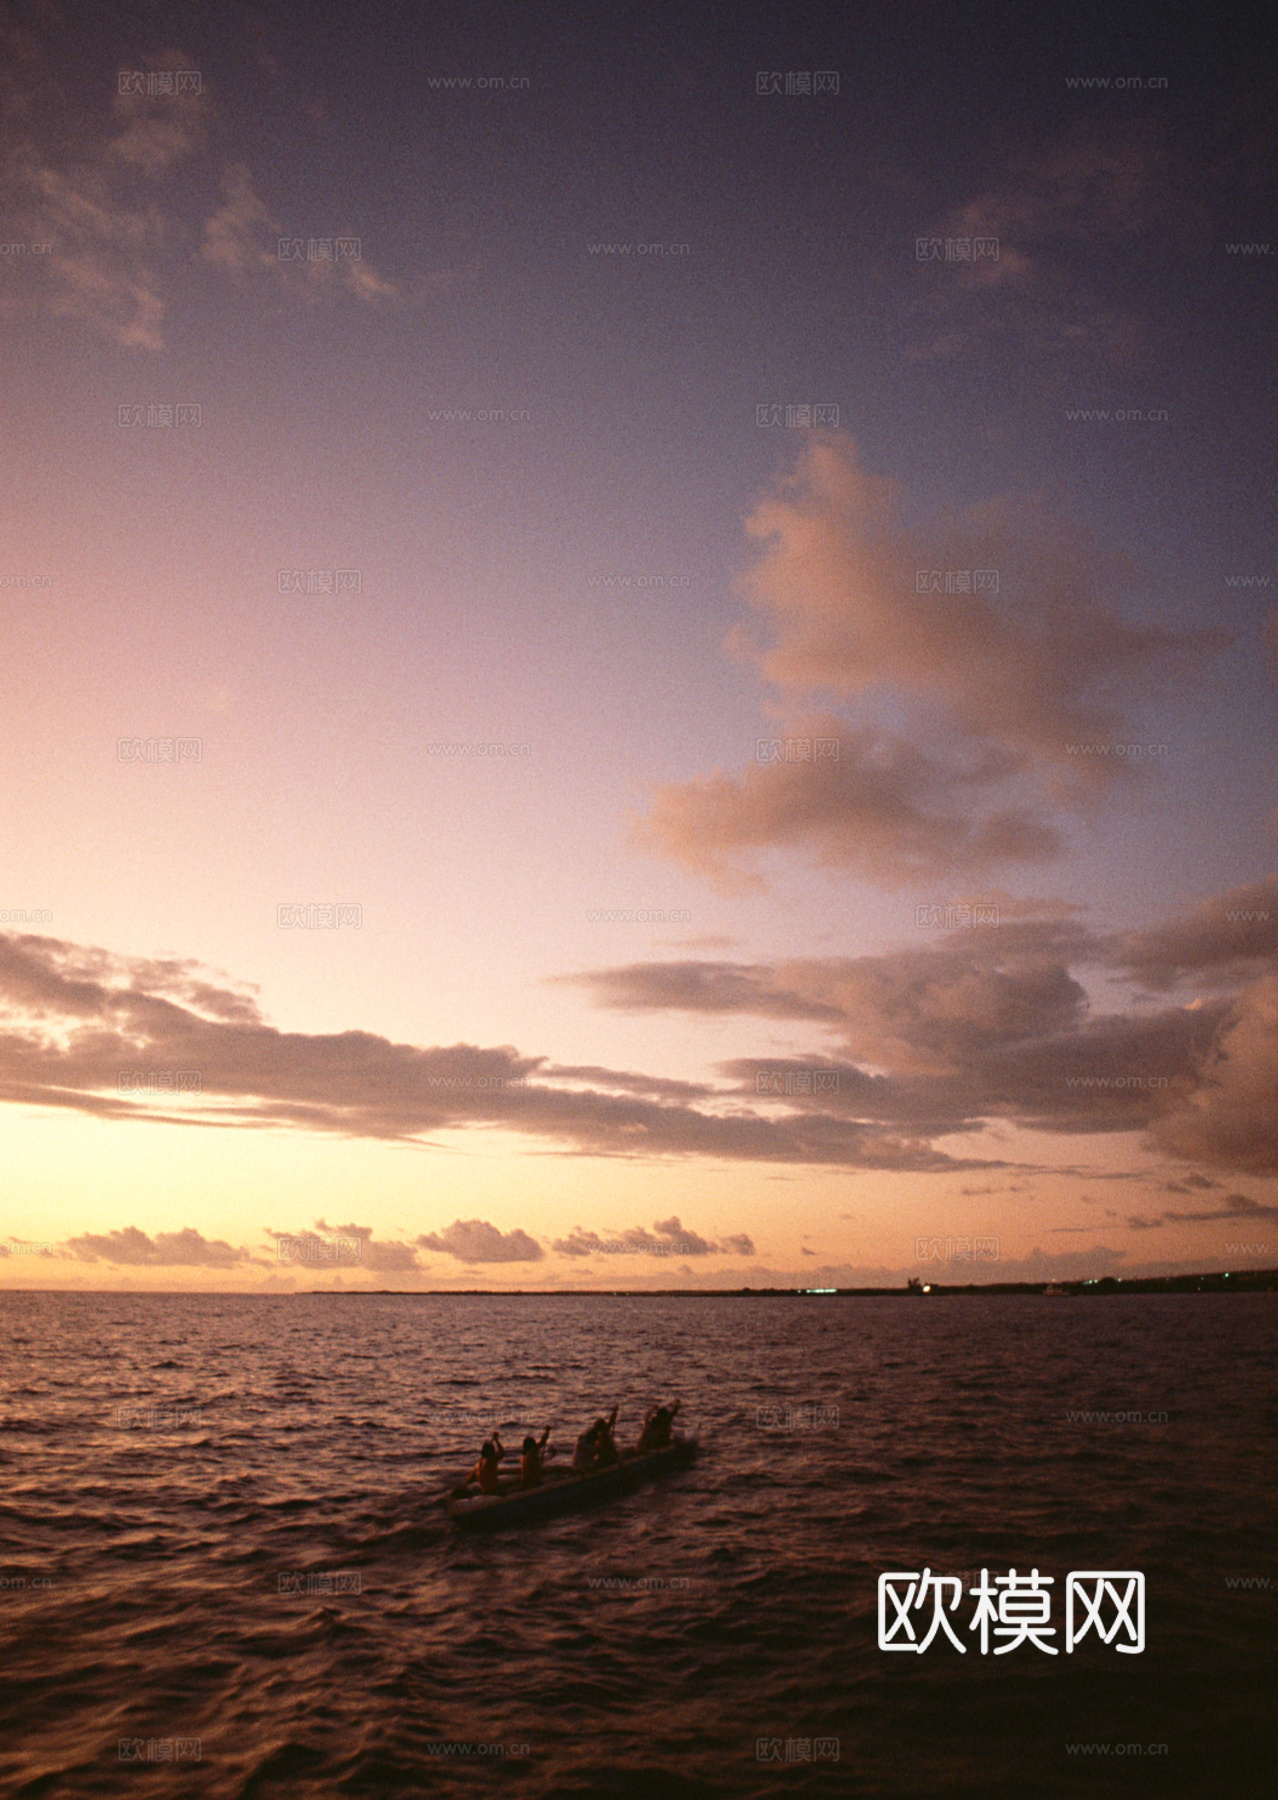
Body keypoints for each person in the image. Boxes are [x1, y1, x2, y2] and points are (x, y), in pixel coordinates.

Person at [572, 1405, 619, 1473]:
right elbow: (601, 1451)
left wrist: (613, 1415)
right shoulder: (586, 1443)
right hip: (581, 1466)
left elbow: (606, 1428)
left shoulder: (589, 1435)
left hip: (583, 1463)